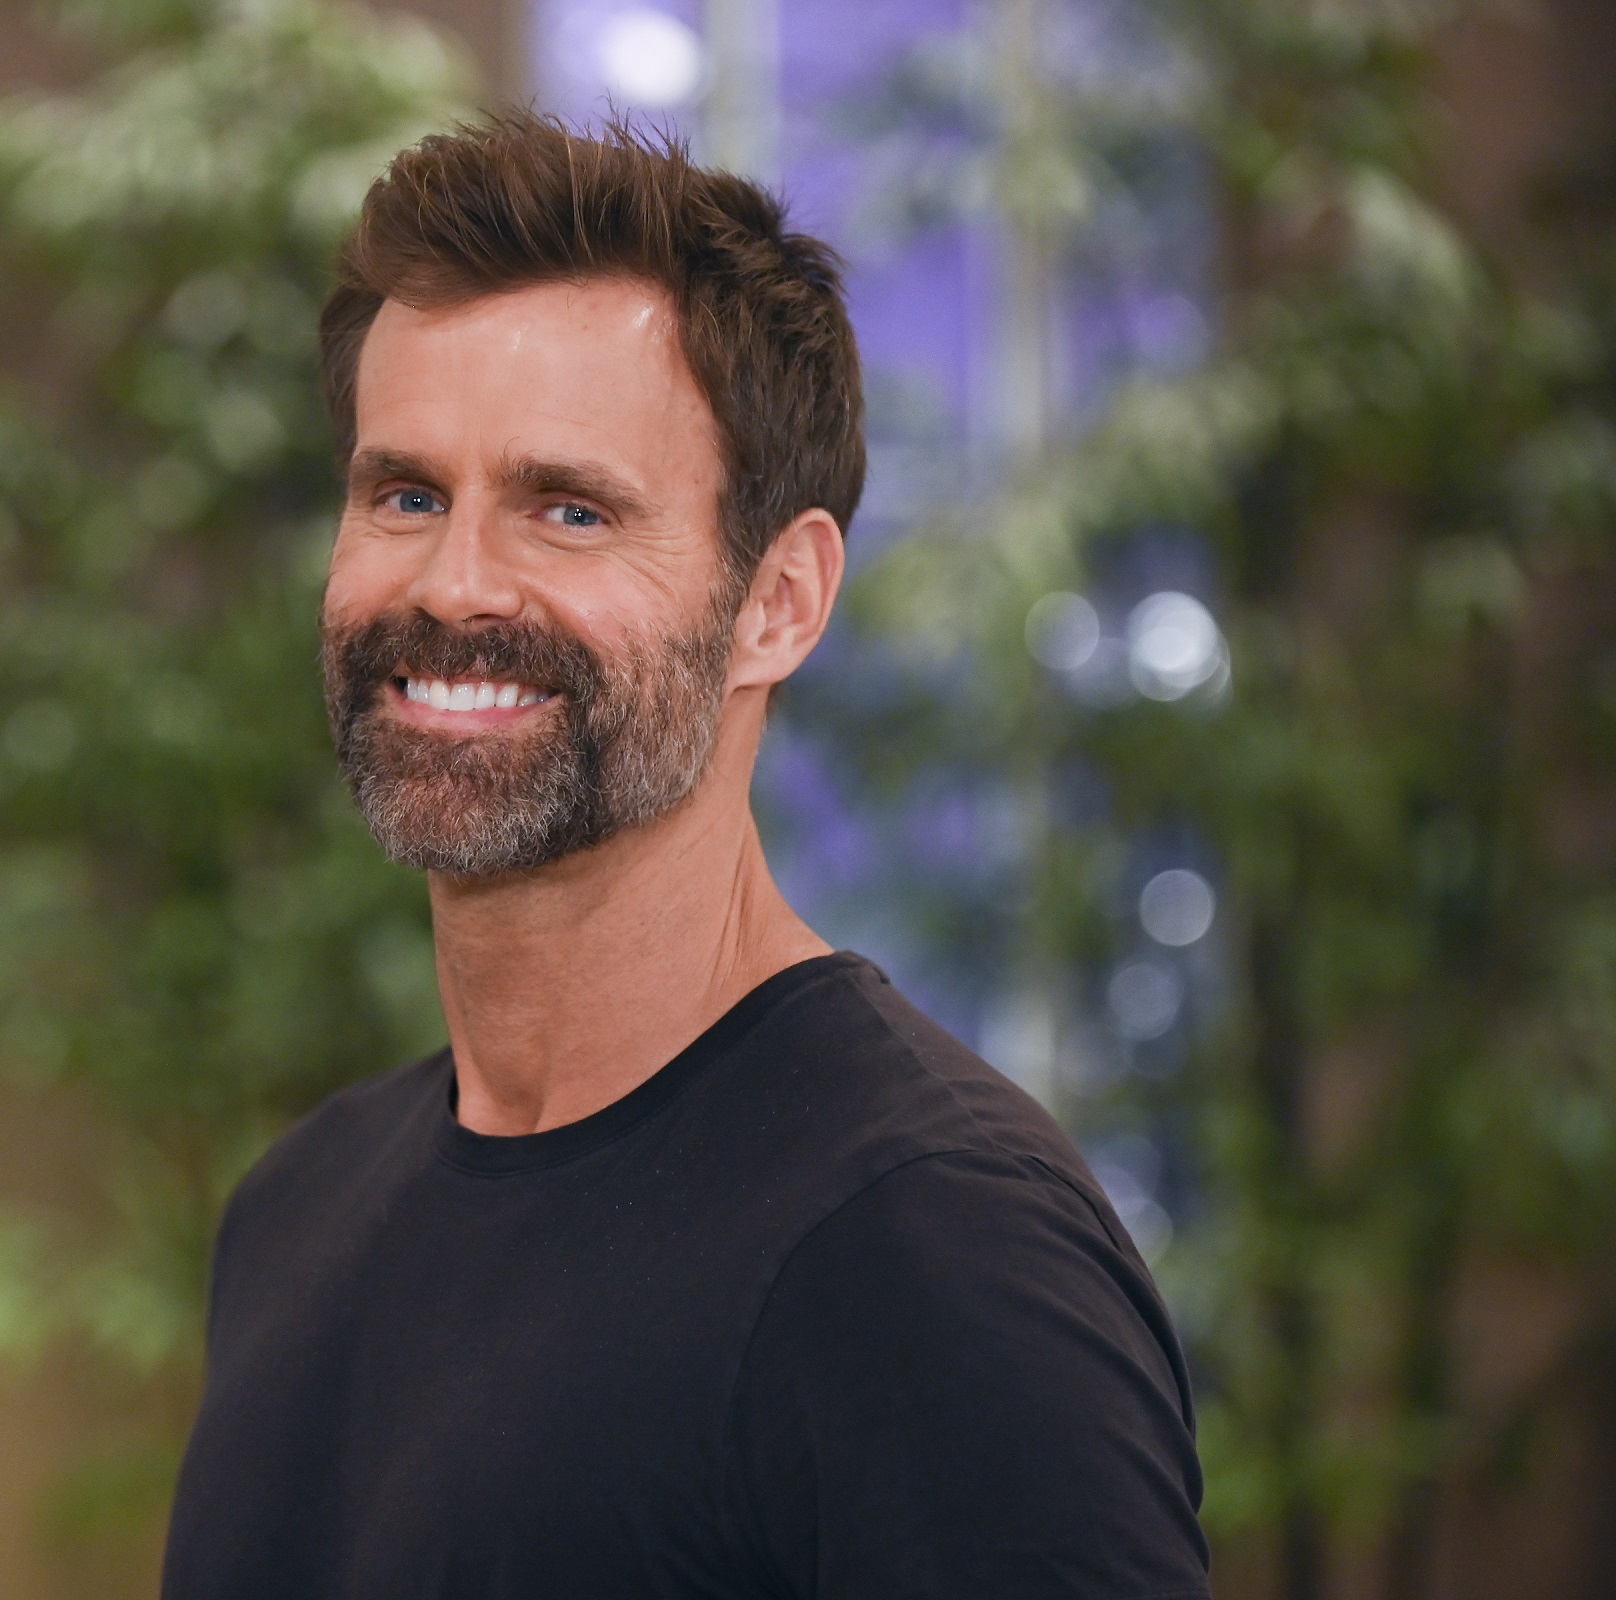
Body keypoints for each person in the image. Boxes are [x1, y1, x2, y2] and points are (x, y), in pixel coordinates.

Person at [162, 114, 1210, 1600]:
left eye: (568, 510)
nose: (454, 582)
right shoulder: (297, 1212)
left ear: (778, 602)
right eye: (404, 494)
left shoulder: (934, 1257)